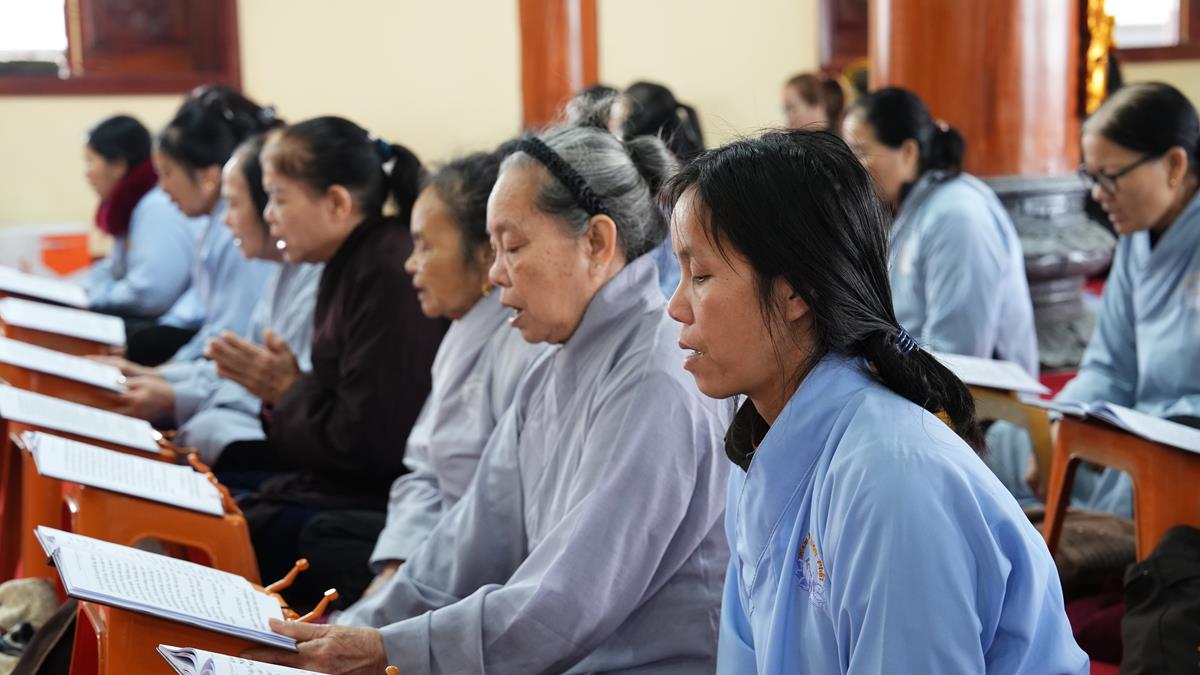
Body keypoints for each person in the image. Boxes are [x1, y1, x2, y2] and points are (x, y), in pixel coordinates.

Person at [245, 124, 731, 674]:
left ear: (596, 243)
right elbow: (468, 542)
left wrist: (385, 649)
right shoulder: (554, 364)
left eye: (513, 247)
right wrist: (353, 627)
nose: (495, 274)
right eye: (493, 249)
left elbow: (564, 604)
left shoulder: (653, 376)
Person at [662, 128, 1086, 673]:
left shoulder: (892, 479)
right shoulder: (757, 447)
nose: (675, 306)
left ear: (795, 291)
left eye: (700, 274)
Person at [223, 116, 446, 608]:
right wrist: (287, 391)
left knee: (246, 527)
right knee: (224, 501)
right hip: (343, 483)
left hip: (381, 499)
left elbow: (370, 445)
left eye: (279, 198)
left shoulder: (387, 269)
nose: (270, 215)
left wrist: (288, 391)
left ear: (337, 203)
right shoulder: (349, 260)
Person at [987, 82, 1200, 516]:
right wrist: (1061, 424)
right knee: (1009, 443)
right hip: (1137, 421)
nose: (1098, 194)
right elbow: (1108, 366)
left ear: (1175, 165)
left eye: (1110, 177)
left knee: (1133, 480)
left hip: (1182, 434)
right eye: (1091, 176)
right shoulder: (1137, 238)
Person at [111, 134, 322, 463]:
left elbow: (257, 386)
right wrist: (154, 378)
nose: (226, 219)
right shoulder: (283, 270)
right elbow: (232, 364)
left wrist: (170, 393)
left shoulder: (303, 276)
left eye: (234, 204)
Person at [842, 86, 1038, 374]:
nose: (851, 169)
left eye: (860, 153)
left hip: (978, 396)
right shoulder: (912, 207)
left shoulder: (956, 215)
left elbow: (956, 353)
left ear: (908, 152)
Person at [125, 86, 277, 366]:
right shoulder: (215, 224)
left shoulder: (238, 233)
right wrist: (166, 374)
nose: (163, 189)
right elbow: (214, 327)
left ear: (208, 177)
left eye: (167, 174)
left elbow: (234, 341)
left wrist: (168, 379)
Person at [81, 114, 196, 327]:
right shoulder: (129, 206)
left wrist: (98, 295)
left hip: (167, 325)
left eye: (90, 161)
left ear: (118, 165)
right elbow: (114, 268)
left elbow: (151, 293)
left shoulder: (156, 207)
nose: (86, 174)